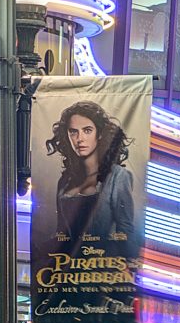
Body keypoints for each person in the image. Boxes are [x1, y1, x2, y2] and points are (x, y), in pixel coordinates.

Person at [46, 100, 137, 257]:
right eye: (73, 132)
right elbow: (61, 234)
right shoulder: (65, 181)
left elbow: (126, 232)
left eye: (87, 130)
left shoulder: (118, 176)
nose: (79, 138)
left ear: (99, 134)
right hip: (68, 273)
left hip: (104, 272)